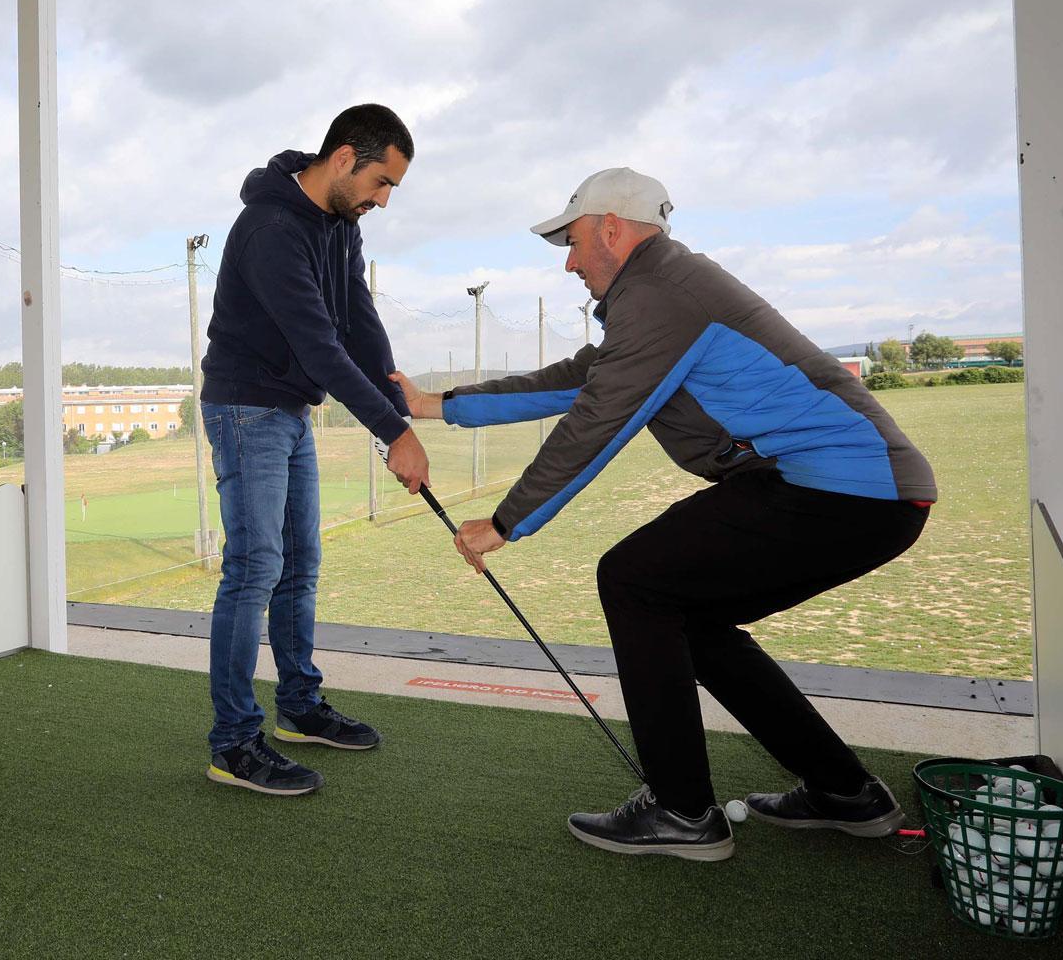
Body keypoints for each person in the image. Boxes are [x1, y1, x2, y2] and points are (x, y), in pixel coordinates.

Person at [391, 167, 935, 858]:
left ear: (612, 230)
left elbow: (597, 419)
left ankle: (682, 812)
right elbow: (575, 380)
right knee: (693, 617)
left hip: (845, 488)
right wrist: (435, 406)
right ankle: (843, 792)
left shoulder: (659, 292)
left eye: (574, 241)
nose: (569, 260)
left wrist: (505, 522)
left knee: (633, 579)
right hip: (860, 493)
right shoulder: (662, 295)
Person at [199, 104, 432, 796]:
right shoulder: (270, 229)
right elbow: (319, 347)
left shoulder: (340, 226)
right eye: (381, 182)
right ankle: (234, 743)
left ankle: (298, 706)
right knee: (254, 567)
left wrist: (394, 402)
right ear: (342, 159)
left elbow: (357, 319)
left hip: (290, 409)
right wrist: (395, 436)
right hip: (246, 408)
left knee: (300, 563)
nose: (382, 200)